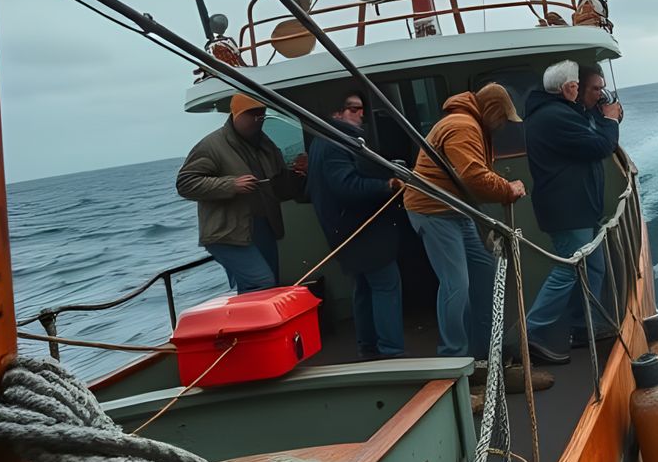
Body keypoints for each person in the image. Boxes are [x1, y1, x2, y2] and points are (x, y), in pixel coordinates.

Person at [404, 83, 526, 360]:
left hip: (456, 210)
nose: (503, 126)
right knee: (455, 283)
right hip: (434, 211)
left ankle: (485, 352)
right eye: (503, 118)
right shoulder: (463, 126)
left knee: (485, 271)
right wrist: (508, 189)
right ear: (493, 111)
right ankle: (454, 359)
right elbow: (473, 175)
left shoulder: (469, 122)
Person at [522, 60, 622, 364]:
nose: (597, 94)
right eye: (590, 88)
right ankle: (530, 336)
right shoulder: (554, 117)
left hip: (579, 207)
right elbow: (599, 146)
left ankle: (584, 327)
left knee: (594, 268)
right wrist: (611, 121)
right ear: (569, 88)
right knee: (567, 269)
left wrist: (601, 113)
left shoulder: (561, 112)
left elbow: (590, 126)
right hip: (568, 209)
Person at [307, 92, 407, 359]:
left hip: (345, 231)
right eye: (354, 109)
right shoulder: (336, 143)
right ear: (336, 114)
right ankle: (392, 352)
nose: (362, 114)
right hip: (363, 231)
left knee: (363, 289)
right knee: (386, 286)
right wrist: (387, 185)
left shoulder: (322, 142)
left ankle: (369, 348)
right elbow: (346, 185)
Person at [176, 94, 307, 294]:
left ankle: (256, 326)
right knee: (263, 283)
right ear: (235, 114)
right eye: (252, 113)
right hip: (228, 233)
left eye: (262, 113)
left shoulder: (266, 145)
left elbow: (280, 186)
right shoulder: (211, 145)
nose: (258, 119)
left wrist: (299, 174)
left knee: (260, 289)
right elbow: (185, 183)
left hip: (264, 226)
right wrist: (231, 185)